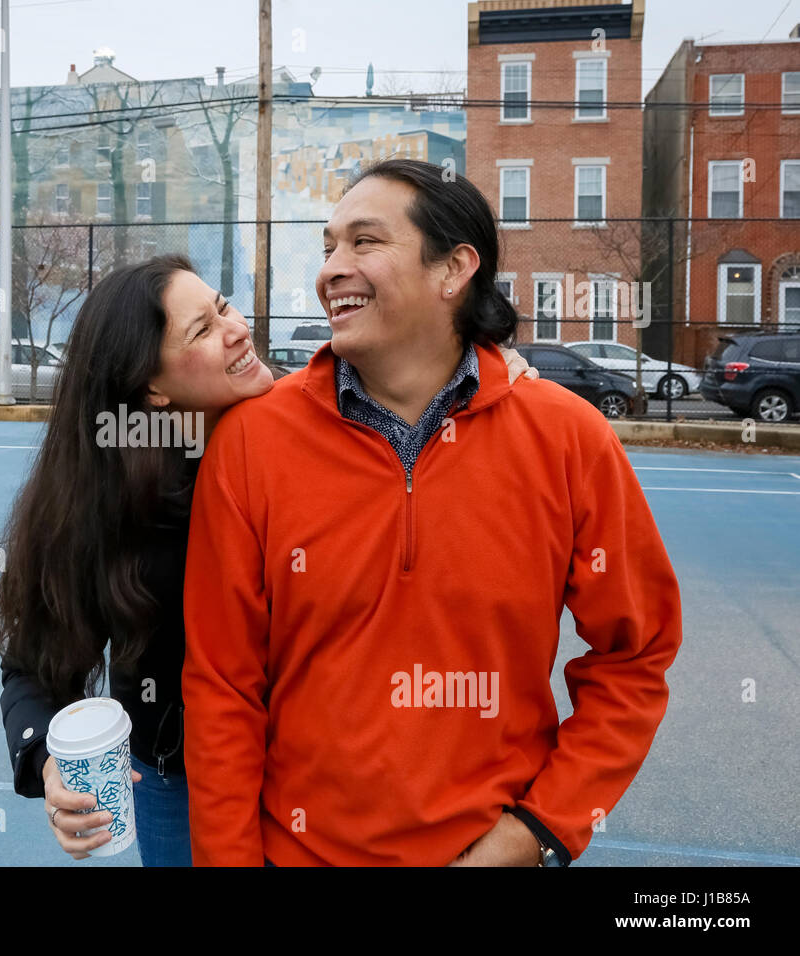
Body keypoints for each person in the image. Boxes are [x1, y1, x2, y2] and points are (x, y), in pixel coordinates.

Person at [181, 159, 683, 867]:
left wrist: (537, 832)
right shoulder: (251, 443)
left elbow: (636, 656)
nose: (331, 270)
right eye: (328, 248)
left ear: (454, 270)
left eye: (364, 242)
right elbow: (223, 687)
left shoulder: (570, 437)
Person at [0, 253, 537, 866]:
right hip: (182, 777)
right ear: (152, 388)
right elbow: (34, 659)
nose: (237, 328)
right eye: (201, 330)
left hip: (318, 774)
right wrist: (46, 761)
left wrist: (474, 375)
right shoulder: (104, 502)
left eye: (222, 305)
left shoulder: (322, 423)